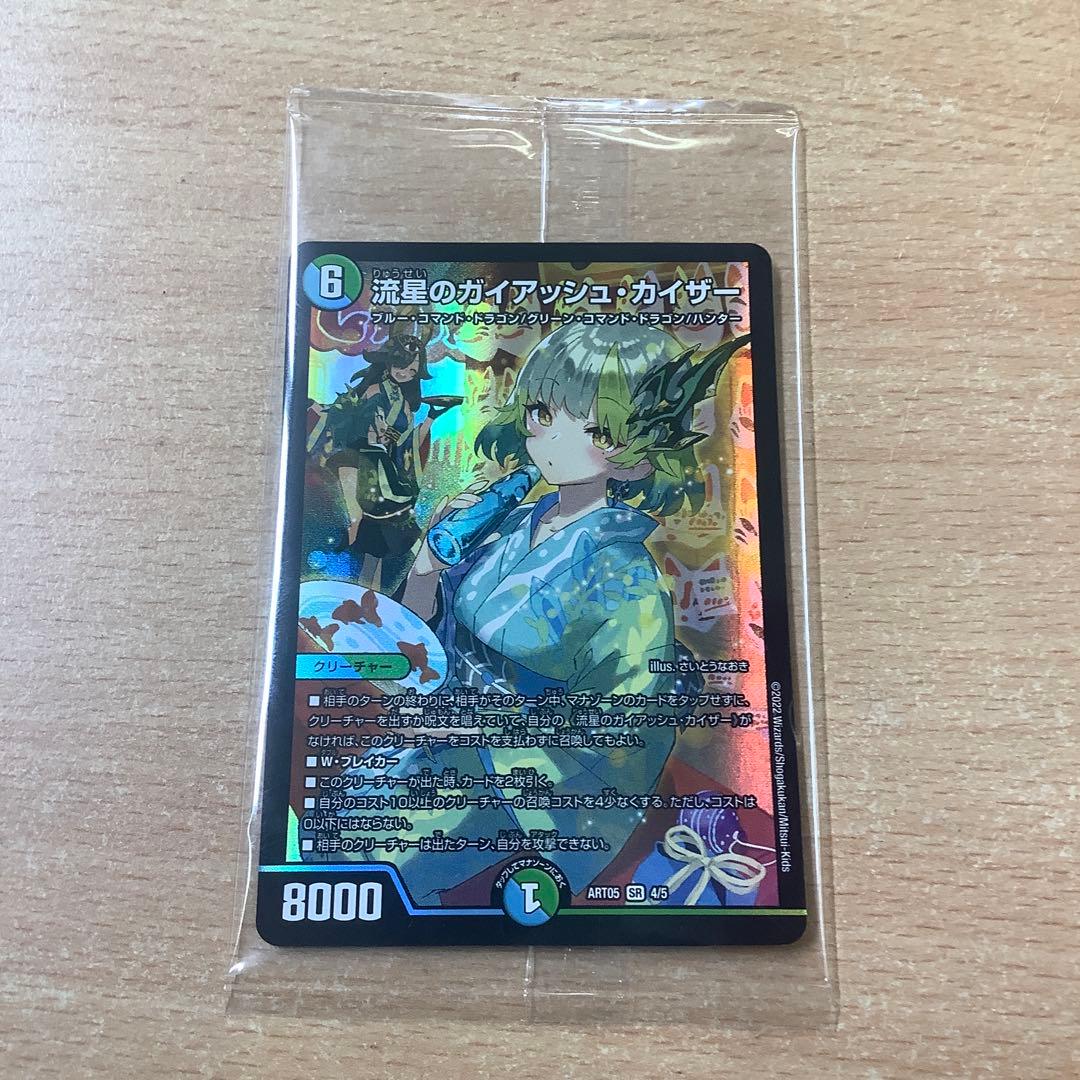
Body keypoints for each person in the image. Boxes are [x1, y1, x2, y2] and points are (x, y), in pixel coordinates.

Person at [326, 322, 749, 903]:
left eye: (595, 429)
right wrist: (425, 568)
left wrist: (469, 728)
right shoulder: (509, 521)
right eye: (543, 413)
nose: (550, 437)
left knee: (369, 859)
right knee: (333, 822)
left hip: (529, 775)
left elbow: (619, 731)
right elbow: (424, 641)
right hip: (444, 735)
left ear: (635, 456)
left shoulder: (626, 577)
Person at [321, 334, 436, 600]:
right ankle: (361, 596)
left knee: (382, 543)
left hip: (387, 470)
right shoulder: (375, 391)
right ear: (388, 362)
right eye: (402, 366)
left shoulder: (403, 402)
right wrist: (378, 436)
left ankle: (371, 599)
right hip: (364, 465)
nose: (406, 373)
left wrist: (431, 419)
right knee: (366, 532)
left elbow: (405, 442)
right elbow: (360, 430)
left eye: (412, 370)